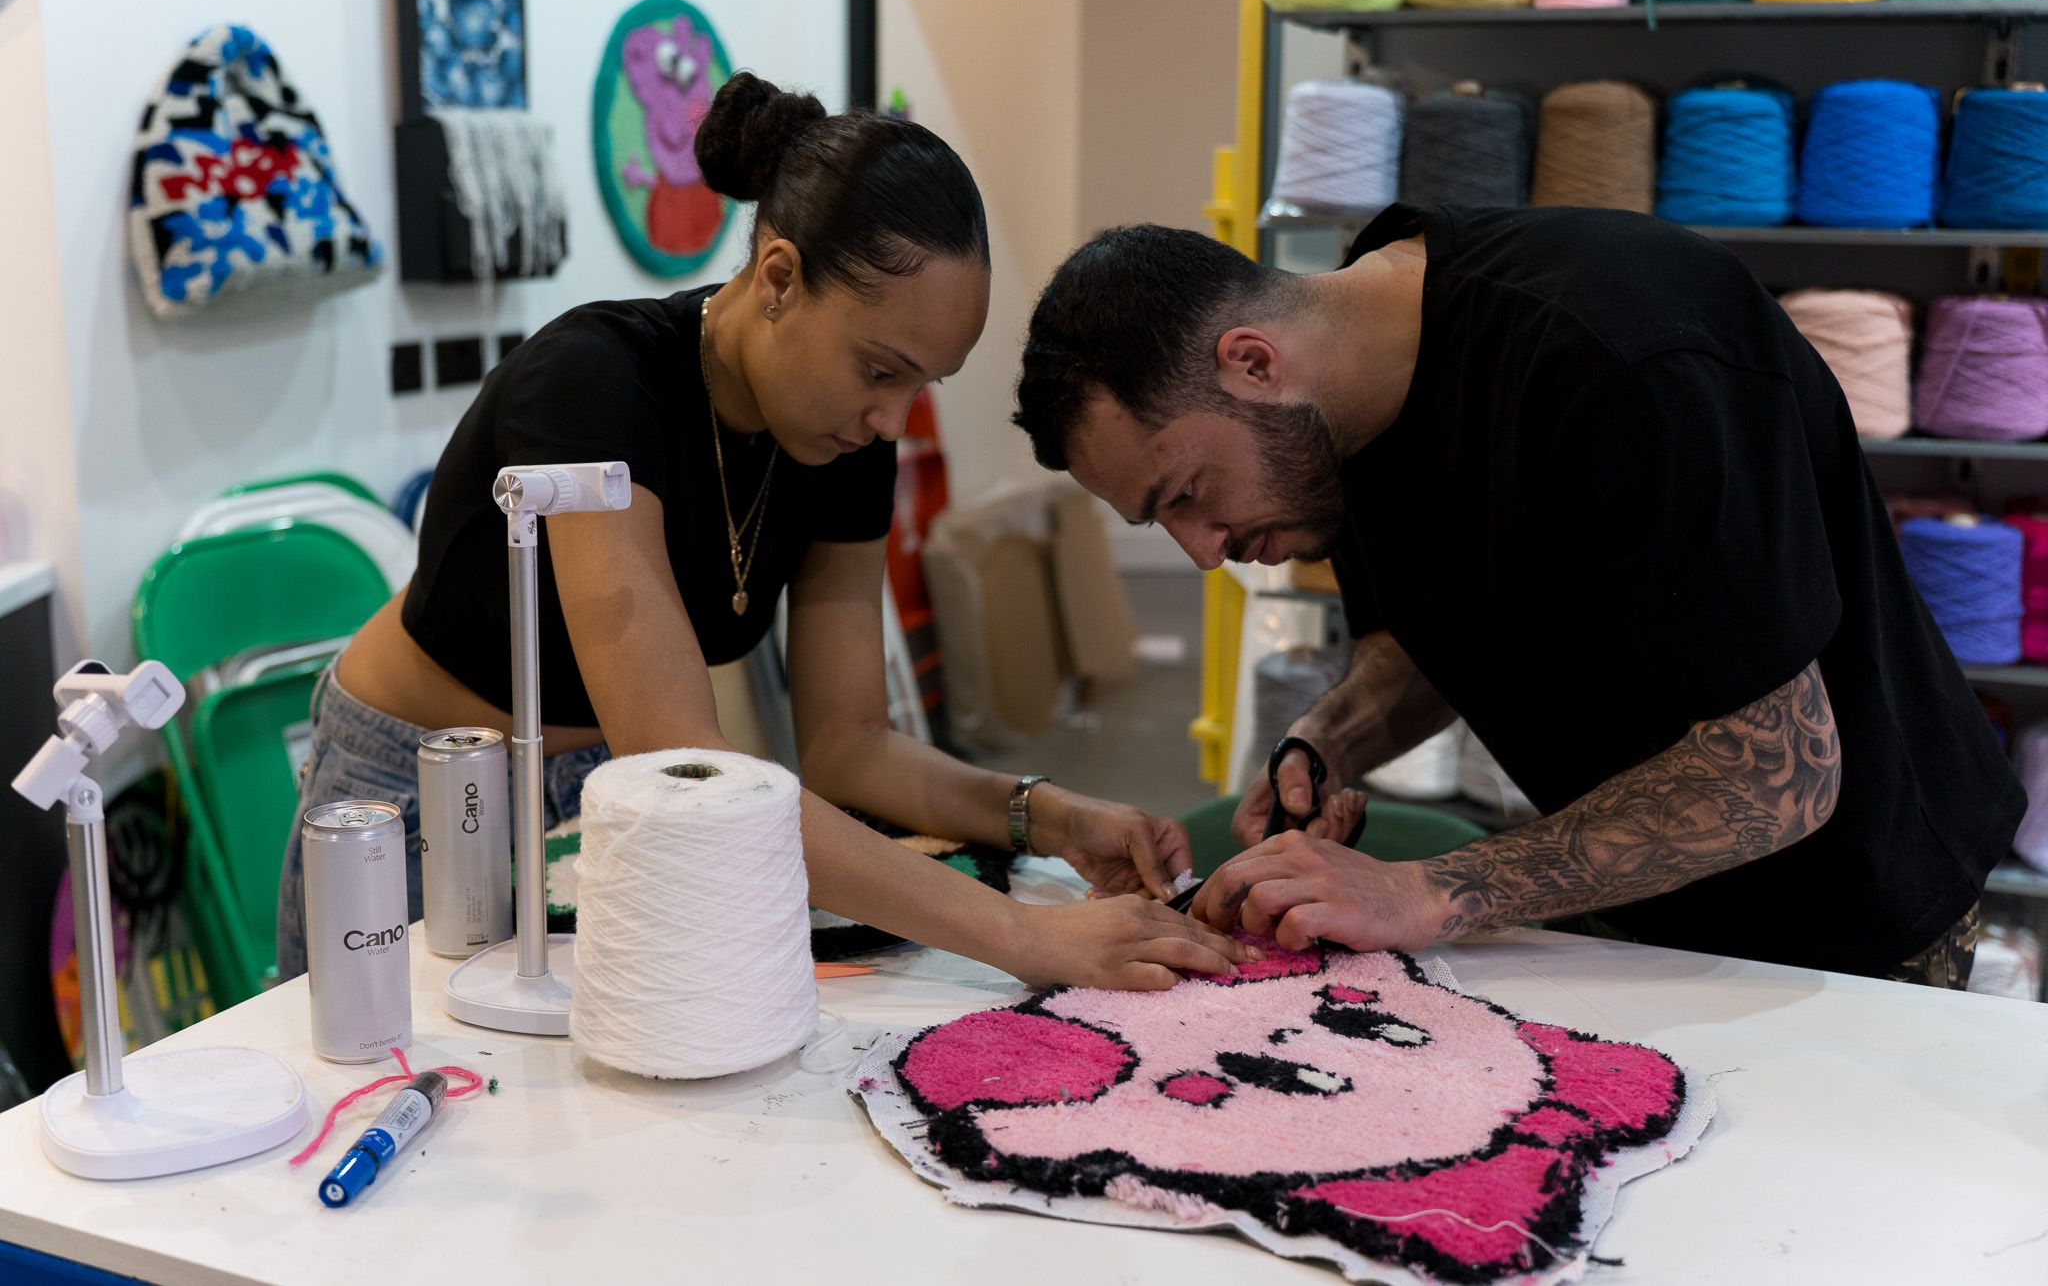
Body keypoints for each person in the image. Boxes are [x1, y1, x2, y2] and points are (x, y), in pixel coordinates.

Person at [276, 73, 1255, 990]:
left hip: (591, 794)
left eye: (922, 384)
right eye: (880, 370)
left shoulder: (840, 440)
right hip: (419, 782)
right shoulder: (591, 386)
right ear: (777, 276)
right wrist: (1021, 935)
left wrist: (1042, 815)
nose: (891, 419)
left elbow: (849, 745)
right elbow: (684, 766)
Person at [1011, 203, 2021, 986]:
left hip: (1847, 921)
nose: (1202, 552)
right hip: (1643, 903)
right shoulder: (1336, 421)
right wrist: (1328, 742)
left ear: (1253, 363)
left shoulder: (1620, 364)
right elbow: (1443, 621)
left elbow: (1775, 777)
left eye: (1187, 495)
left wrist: (1421, 891)